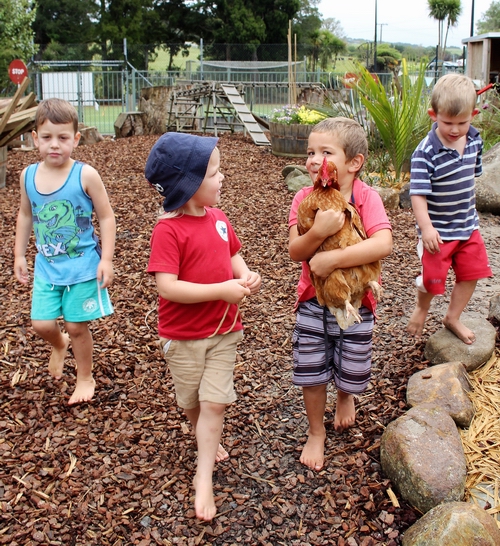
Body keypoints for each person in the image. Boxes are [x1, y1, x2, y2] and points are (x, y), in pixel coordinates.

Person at [145, 132, 261, 521]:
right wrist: (221, 290)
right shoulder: (169, 230)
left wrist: (244, 276)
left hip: (225, 329)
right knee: (192, 402)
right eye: (213, 173)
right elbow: (168, 287)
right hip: (182, 337)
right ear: (189, 185)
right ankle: (206, 439)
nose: (222, 177)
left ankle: (203, 474)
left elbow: (233, 256)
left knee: (215, 401)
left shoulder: (219, 219)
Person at [288, 117, 392, 472]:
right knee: (312, 370)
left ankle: (346, 396)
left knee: (352, 363)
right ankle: (316, 431)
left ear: (353, 163)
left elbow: (384, 243)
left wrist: (333, 258)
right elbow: (295, 251)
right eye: (310, 152)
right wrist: (318, 233)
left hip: (356, 302)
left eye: (325, 152)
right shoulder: (304, 198)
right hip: (312, 302)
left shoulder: (367, 197)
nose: (313, 159)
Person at [13, 98, 116, 406]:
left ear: (76, 138)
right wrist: (19, 254)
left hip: (83, 267)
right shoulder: (28, 176)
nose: (54, 145)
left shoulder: (85, 175)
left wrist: (107, 259)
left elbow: (107, 216)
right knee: (41, 324)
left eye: (63, 137)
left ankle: (85, 376)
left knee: (76, 324)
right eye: (46, 138)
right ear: (34, 139)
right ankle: (60, 344)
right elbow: (25, 215)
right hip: (47, 267)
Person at [407, 74, 492, 345]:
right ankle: (422, 308)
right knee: (433, 279)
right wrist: (427, 228)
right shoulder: (426, 152)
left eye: (462, 123)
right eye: (447, 123)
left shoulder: (475, 140)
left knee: (473, 273)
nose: (455, 129)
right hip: (439, 231)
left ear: (473, 115)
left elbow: (471, 177)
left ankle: (452, 317)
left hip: (467, 226)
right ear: (434, 114)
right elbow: (418, 195)